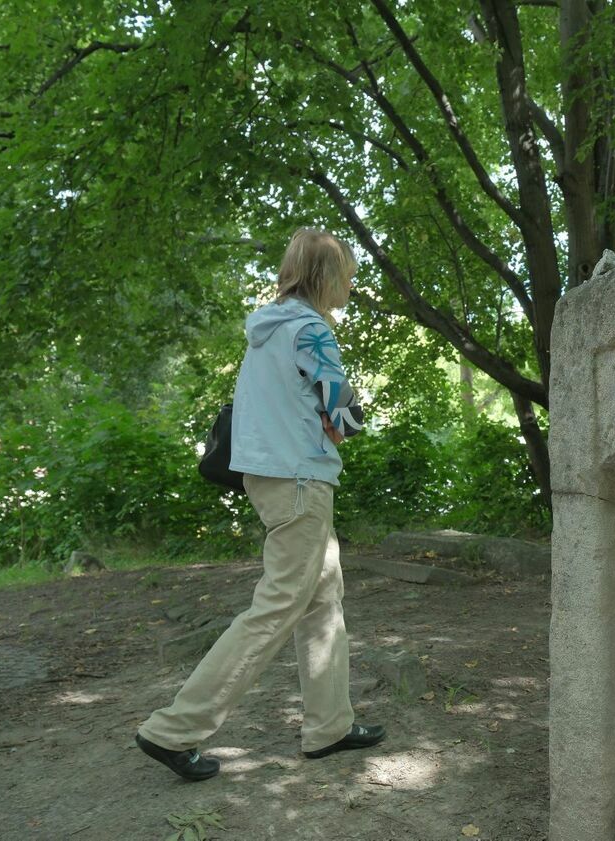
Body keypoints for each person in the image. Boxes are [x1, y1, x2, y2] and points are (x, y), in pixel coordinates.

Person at [135, 228, 384, 781]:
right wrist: (341, 420)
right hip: (300, 480)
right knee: (278, 605)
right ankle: (174, 729)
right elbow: (342, 413)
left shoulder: (267, 331)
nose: (350, 283)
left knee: (322, 596)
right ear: (325, 275)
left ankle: (329, 726)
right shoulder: (311, 330)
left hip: (272, 478)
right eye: (344, 272)